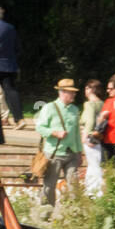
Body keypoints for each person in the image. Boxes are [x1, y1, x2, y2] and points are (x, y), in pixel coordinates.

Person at [36, 78, 82, 207]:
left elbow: (77, 133)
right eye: (71, 92)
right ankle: (46, 212)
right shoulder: (49, 108)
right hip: (54, 153)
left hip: (71, 154)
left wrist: (79, 152)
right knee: (49, 186)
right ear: (62, 92)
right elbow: (40, 127)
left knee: (74, 185)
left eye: (74, 92)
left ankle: (75, 212)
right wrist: (55, 133)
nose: (74, 95)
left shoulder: (74, 109)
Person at [78, 79, 104, 196]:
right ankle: (91, 189)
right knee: (96, 163)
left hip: (89, 138)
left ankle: (95, 192)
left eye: (87, 88)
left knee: (93, 165)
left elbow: (90, 121)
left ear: (92, 90)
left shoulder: (89, 104)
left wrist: (84, 137)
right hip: (100, 137)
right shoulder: (103, 103)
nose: (85, 90)